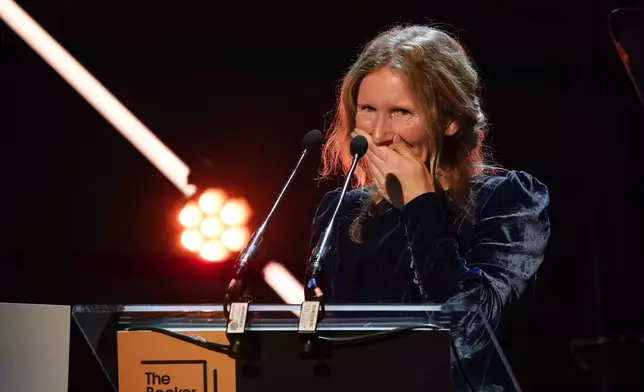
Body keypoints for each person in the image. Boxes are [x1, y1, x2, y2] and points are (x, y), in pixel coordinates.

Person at [305, 24, 551, 361]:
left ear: (450, 121)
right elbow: (328, 340)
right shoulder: (342, 210)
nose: (377, 135)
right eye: (367, 109)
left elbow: (471, 331)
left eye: (401, 112)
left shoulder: (509, 202)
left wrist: (421, 203)